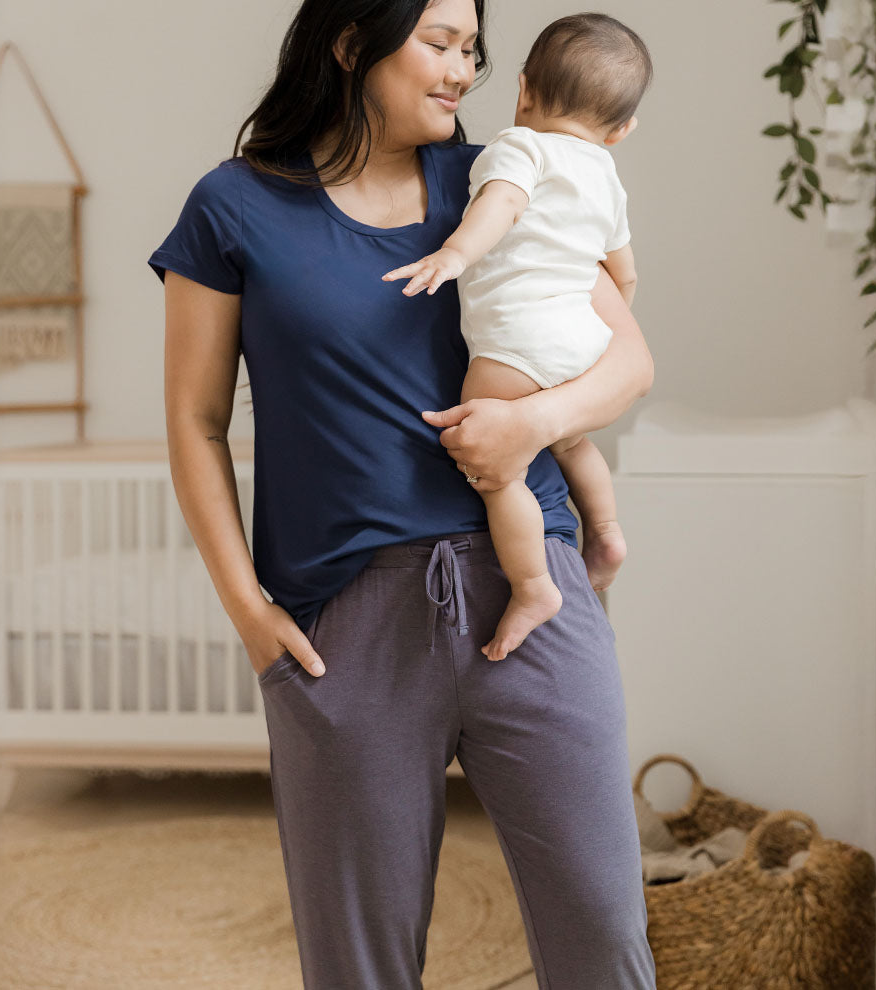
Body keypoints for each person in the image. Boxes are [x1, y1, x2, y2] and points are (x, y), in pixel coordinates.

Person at [148, 1, 658, 987]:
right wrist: (250, 613)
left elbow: (629, 362)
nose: (463, 68)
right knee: (359, 964)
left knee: (602, 929)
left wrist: (529, 426)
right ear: (352, 43)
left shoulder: (502, 173)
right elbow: (195, 422)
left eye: (473, 48)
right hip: (347, 618)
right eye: (438, 43)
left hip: (529, 585)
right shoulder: (231, 206)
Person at [382, 13, 651, 662]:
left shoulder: (517, 147)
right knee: (569, 436)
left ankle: (533, 586)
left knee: (498, 467)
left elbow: (500, 204)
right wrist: (592, 326)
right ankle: (607, 530)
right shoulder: (604, 176)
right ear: (621, 129)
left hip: (517, 341)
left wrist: (454, 252)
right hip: (581, 337)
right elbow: (624, 270)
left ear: (525, 89)